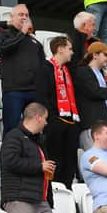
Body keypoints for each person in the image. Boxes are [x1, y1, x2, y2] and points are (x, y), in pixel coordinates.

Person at [1, 102, 59, 213]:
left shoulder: (39, 140)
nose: (47, 123)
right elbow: (9, 161)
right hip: (20, 199)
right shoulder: (14, 136)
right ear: (38, 117)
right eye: (45, 119)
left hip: (41, 200)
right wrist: (39, 166)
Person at [35, 36, 80, 189]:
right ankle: (54, 192)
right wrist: (53, 120)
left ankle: (67, 191)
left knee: (70, 163)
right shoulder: (45, 68)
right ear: (60, 49)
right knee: (56, 160)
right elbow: (42, 97)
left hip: (71, 121)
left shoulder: (68, 70)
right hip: (55, 123)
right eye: (69, 49)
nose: (72, 53)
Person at [0, 4, 45, 135]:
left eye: (26, 15)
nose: (24, 17)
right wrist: (22, 33)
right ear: (11, 18)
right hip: (14, 91)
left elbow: (42, 66)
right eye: (20, 14)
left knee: (34, 129)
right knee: (12, 129)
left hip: (33, 91)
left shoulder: (35, 42)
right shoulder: (4, 34)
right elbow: (4, 48)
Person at [75, 42, 107, 150]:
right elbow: (94, 92)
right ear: (95, 55)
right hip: (93, 127)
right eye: (105, 55)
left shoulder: (103, 72)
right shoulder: (83, 71)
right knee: (96, 161)